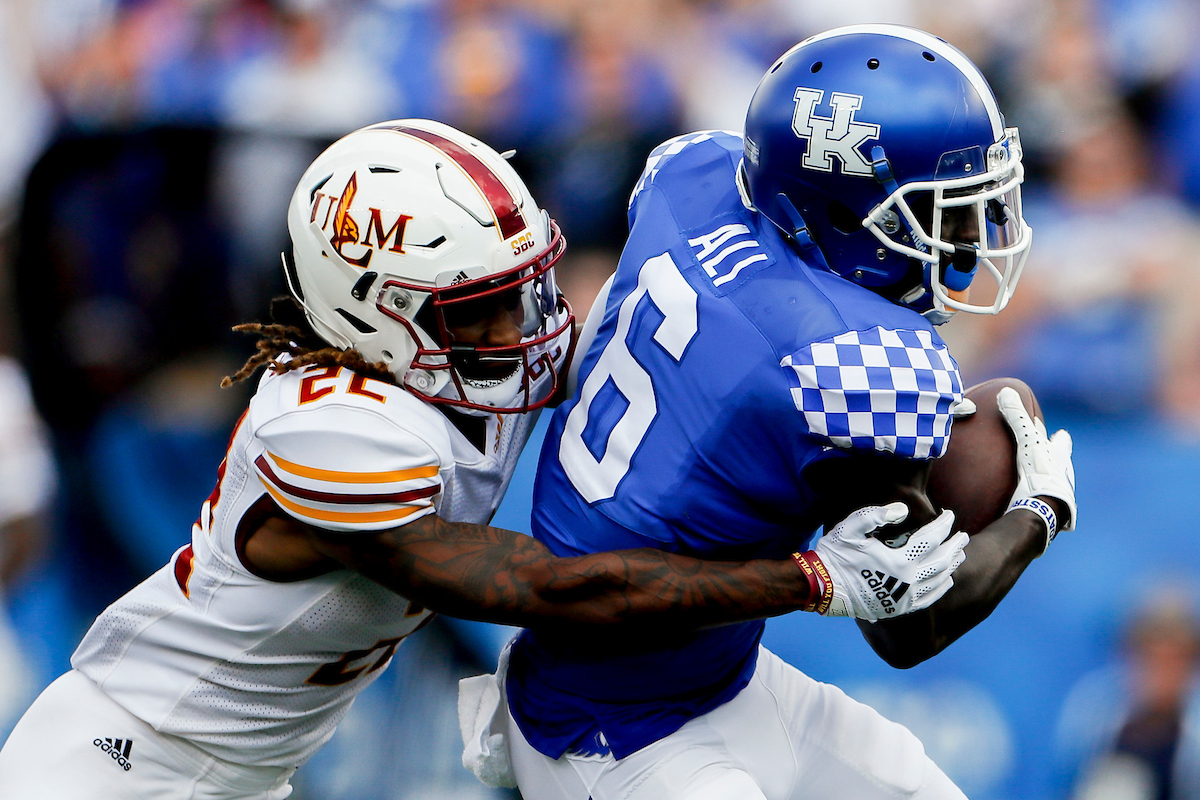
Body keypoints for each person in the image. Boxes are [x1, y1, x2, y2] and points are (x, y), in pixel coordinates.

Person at [0, 118, 965, 799]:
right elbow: (555, 591)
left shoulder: (448, 370)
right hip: (120, 763)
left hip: (241, 770)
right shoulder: (344, 434)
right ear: (374, 312)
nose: (524, 327)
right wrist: (805, 580)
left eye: (527, 287)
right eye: (480, 310)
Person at [463, 25, 1079, 800]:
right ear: (847, 216)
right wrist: (1038, 512)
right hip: (606, 731)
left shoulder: (698, 176)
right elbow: (909, 624)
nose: (964, 239)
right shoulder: (845, 357)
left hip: (717, 677)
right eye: (940, 211)